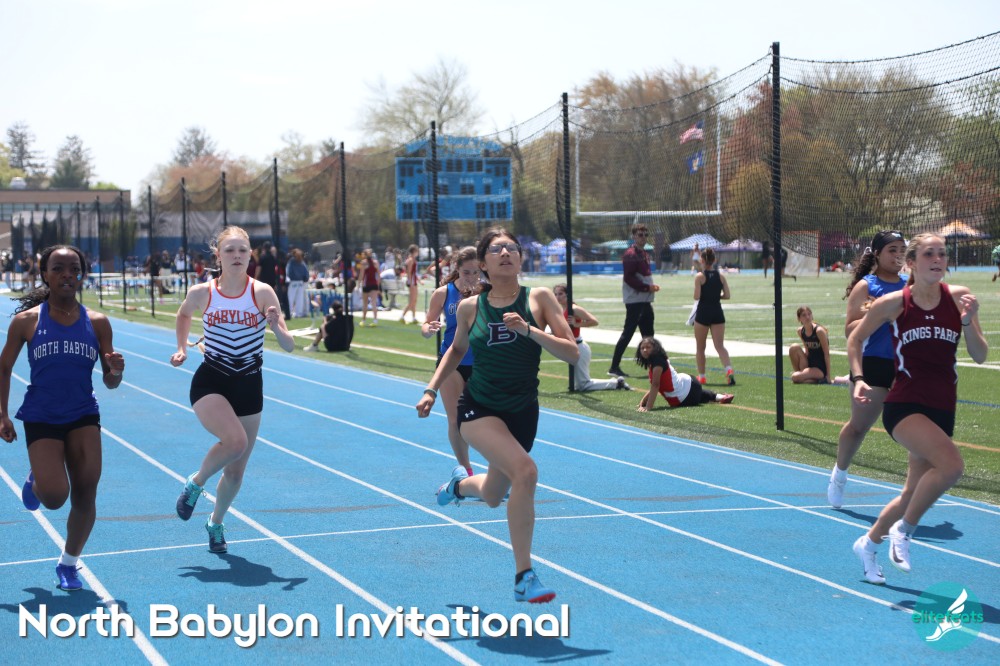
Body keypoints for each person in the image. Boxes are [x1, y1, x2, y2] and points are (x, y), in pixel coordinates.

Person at [416, 228, 578, 603]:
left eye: (511, 248)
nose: (505, 253)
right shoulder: (471, 307)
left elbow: (571, 353)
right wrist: (431, 389)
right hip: (479, 408)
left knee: (492, 494)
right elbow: (456, 351)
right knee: (526, 472)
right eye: (496, 249)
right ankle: (524, 576)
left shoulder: (539, 298)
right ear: (484, 263)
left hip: (522, 410)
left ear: (520, 258)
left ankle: (457, 488)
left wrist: (529, 330)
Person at [848, 233, 987, 584]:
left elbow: (980, 355)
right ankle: (904, 531)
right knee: (952, 466)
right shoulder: (895, 302)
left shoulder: (958, 298)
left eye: (942, 253)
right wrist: (859, 378)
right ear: (911, 263)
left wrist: (968, 321)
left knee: (912, 492)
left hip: (942, 405)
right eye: (929, 254)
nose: (937, 259)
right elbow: (855, 338)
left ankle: (868, 544)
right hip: (904, 404)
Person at [0, 245, 125, 591]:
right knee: (55, 497)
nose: (67, 274)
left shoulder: (97, 323)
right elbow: (4, 367)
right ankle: (37, 481)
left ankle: (68, 563)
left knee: (86, 493)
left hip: (83, 414)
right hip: (42, 415)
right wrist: (2, 414)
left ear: (82, 274)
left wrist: (115, 371)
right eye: (58, 268)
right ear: (45, 275)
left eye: (74, 268)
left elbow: (110, 382)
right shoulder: (27, 322)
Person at [171, 225, 295, 554]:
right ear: (218, 256)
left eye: (242, 250)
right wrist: (182, 348)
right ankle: (195, 483)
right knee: (235, 442)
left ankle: (215, 523)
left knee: (236, 471)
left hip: (249, 382)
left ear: (250, 255)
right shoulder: (202, 292)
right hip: (212, 379)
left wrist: (275, 326)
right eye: (230, 250)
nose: (237, 255)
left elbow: (289, 345)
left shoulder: (262, 292)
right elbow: (183, 315)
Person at [828, 230, 907, 508]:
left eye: (902, 250)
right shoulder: (867, 286)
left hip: (905, 365)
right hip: (872, 363)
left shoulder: (911, 284)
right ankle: (839, 475)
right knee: (858, 427)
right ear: (877, 254)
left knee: (913, 427)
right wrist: (878, 315)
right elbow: (850, 329)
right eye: (892, 250)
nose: (898, 256)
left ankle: (916, 489)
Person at [420, 246, 481, 475]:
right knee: (456, 420)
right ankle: (466, 471)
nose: (471, 277)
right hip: (451, 361)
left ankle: (498, 469)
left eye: (476, 272)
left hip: (481, 363)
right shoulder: (443, 293)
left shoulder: (487, 292)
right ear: (457, 269)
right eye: (466, 272)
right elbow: (426, 323)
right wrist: (429, 329)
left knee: (486, 418)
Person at [553, 283, 629, 392]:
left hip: (579, 347)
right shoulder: (562, 309)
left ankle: (616, 383)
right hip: (571, 347)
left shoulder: (574, 308)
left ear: (568, 294)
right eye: (555, 294)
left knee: (584, 385)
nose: (557, 297)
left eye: (560, 294)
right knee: (579, 385)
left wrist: (576, 324)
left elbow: (594, 321)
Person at [608, 223, 659, 377]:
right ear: (634, 236)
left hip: (644, 300)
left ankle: (654, 365)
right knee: (628, 333)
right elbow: (629, 278)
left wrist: (649, 288)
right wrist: (646, 287)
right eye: (640, 234)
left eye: (645, 234)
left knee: (648, 334)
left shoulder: (644, 253)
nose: (643, 237)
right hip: (635, 301)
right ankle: (614, 367)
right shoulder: (631, 254)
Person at [634, 337, 733, 410]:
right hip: (690, 388)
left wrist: (648, 407)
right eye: (642, 348)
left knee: (696, 395)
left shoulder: (657, 362)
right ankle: (719, 396)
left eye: (648, 347)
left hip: (684, 396)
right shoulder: (657, 360)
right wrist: (642, 402)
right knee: (699, 395)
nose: (645, 350)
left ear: (655, 348)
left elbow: (656, 385)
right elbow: (656, 386)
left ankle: (717, 396)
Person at [693, 248, 735, 386]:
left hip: (703, 313)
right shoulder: (721, 276)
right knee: (720, 346)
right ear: (714, 260)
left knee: (700, 348)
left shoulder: (700, 277)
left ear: (702, 260)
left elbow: (697, 296)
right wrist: (716, 296)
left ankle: (702, 376)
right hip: (717, 312)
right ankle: (728, 369)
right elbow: (727, 295)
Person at [788, 306, 838, 384]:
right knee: (793, 347)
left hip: (819, 368)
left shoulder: (819, 331)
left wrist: (828, 375)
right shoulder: (800, 331)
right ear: (799, 318)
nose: (807, 317)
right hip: (809, 363)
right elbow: (807, 350)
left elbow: (826, 354)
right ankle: (801, 375)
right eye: (804, 315)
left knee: (795, 377)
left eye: (809, 314)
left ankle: (819, 378)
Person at [285, 248, 310, 318]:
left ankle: (293, 313)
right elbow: (306, 272)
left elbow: (288, 272)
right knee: (296, 299)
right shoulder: (298, 262)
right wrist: (305, 278)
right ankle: (296, 313)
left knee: (294, 298)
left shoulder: (294, 262)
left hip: (296, 282)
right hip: (297, 282)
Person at [400, 244, 421, 324]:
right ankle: (402, 316)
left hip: (414, 281)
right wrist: (410, 282)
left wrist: (419, 280)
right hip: (412, 282)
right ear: (414, 251)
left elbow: (414, 272)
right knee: (412, 301)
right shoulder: (410, 260)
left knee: (414, 300)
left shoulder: (413, 259)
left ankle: (414, 317)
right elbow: (409, 272)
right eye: (417, 251)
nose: (418, 253)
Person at [359, 250, 380, 327]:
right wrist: (378, 285)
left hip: (366, 284)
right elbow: (379, 275)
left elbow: (361, 275)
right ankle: (375, 320)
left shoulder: (363, 263)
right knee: (373, 303)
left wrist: (358, 284)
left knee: (365, 303)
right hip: (374, 284)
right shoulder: (376, 262)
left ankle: (363, 320)